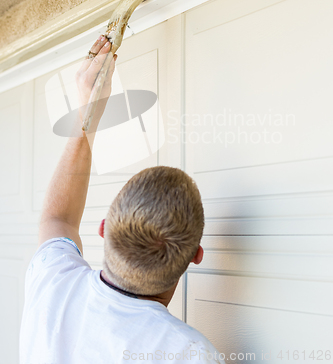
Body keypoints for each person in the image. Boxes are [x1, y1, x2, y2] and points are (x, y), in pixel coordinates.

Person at [19, 35, 224, 364]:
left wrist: (89, 109)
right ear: (195, 257)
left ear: (103, 228)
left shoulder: (53, 283)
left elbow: (57, 219)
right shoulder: (190, 354)